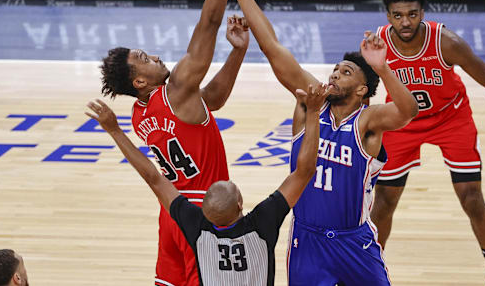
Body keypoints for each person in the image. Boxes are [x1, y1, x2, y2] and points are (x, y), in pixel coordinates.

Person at [207, 0, 419, 285]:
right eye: (335, 69)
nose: (335, 74)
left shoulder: (366, 123)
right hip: (308, 240)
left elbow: (409, 111)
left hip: (355, 240)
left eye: (346, 72)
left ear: (363, 90)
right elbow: (273, 48)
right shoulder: (310, 101)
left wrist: (382, 66)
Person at [98, 0, 252, 286]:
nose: (154, 56)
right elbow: (209, 23)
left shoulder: (141, 114)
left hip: (171, 212)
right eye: (143, 58)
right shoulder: (177, 88)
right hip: (205, 212)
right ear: (139, 81)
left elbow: (212, 101)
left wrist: (238, 53)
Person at [369, 0, 485, 286]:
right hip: (402, 121)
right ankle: (368, 271)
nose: (405, 22)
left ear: (422, 12)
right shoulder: (377, 44)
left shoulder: (446, 42)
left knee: (471, 199)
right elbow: (362, 89)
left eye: (412, 13)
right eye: (397, 15)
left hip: (451, 118)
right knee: (383, 202)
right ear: (387, 15)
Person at [86, 81, 330, 286]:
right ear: (240, 203)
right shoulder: (262, 223)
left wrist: (115, 130)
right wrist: (313, 112)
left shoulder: (196, 228)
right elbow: (305, 171)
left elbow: (153, 177)